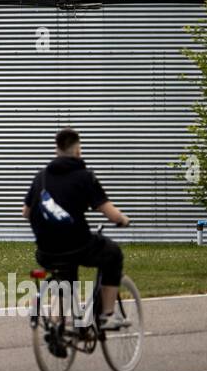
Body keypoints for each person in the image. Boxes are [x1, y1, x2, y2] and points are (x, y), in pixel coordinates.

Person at [22, 128, 131, 329]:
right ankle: (107, 315)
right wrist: (123, 219)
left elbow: (26, 212)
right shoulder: (84, 177)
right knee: (113, 254)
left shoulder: (41, 177)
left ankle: (56, 327)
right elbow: (110, 212)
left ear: (56, 150)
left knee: (64, 275)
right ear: (78, 150)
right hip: (78, 246)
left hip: (46, 251)